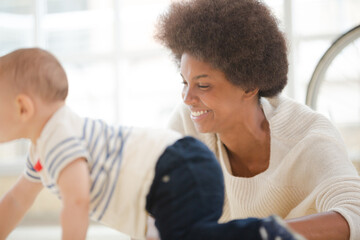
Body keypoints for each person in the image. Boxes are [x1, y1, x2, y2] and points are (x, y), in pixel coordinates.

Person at [0, 48, 304, 240]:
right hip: (173, 176)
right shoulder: (41, 151)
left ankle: (261, 233)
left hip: (174, 171)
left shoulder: (58, 137)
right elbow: (15, 201)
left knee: (185, 236)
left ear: (23, 107)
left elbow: (76, 201)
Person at [154, 0, 360, 239]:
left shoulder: (307, 137)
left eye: (203, 85)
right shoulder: (186, 125)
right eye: (184, 82)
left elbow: (355, 214)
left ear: (249, 85)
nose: (188, 98)